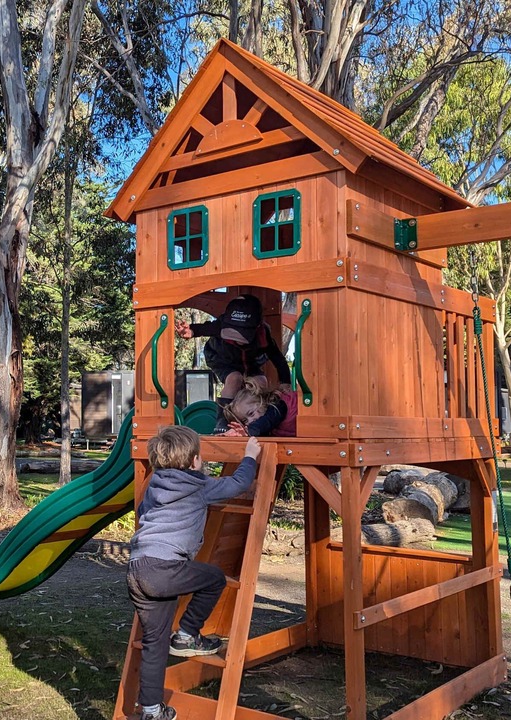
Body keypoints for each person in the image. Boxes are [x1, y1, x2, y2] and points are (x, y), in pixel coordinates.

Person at [126, 425, 262, 720]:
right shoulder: (199, 486)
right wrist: (250, 456)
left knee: (154, 642)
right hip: (164, 567)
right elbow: (238, 483)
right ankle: (187, 634)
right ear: (195, 461)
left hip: (138, 568)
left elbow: (141, 513)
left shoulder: (155, 485)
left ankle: (151, 710)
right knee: (213, 578)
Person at [174, 294, 291, 433]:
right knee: (234, 378)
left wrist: (285, 381)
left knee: (261, 381)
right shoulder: (220, 325)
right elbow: (205, 328)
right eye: (231, 333)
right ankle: (221, 422)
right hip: (221, 359)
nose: (236, 340)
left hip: (250, 362)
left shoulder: (263, 334)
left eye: (241, 334)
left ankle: (262, 421)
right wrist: (190, 331)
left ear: (256, 328)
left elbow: (278, 358)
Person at [221, 377, 298, 437]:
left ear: (262, 402)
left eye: (251, 413)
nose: (250, 421)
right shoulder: (265, 423)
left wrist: (247, 431)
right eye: (245, 421)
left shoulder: (277, 406)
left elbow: (266, 421)